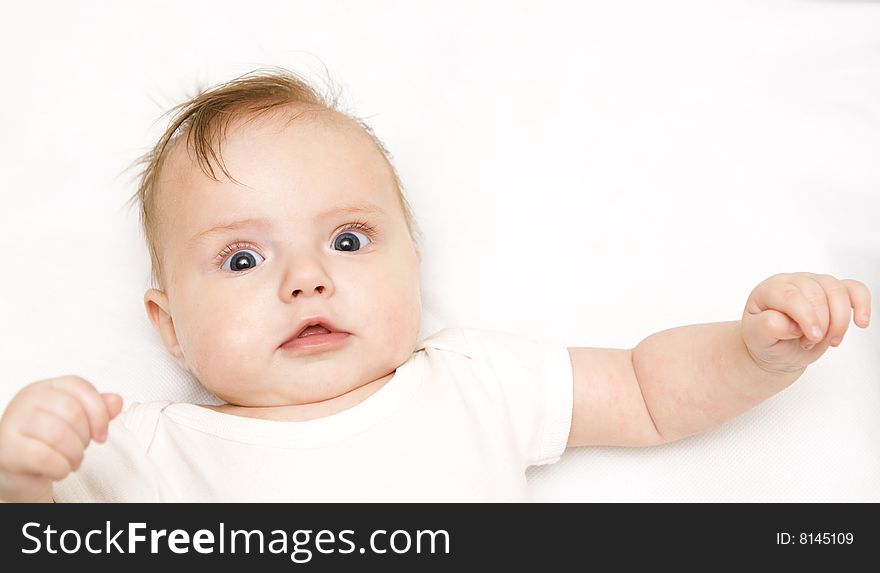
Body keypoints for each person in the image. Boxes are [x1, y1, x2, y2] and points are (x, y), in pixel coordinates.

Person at [0, 67, 871, 502]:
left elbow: (647, 391)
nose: (307, 279)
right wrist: (21, 466)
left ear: (412, 261)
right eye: (242, 259)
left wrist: (755, 350)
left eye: (347, 239)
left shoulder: (471, 381)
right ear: (170, 328)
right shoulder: (144, 449)